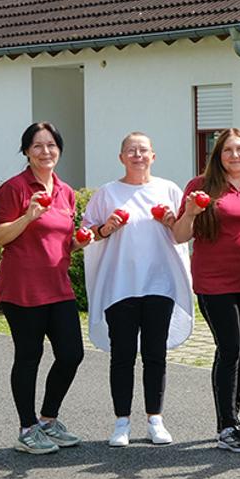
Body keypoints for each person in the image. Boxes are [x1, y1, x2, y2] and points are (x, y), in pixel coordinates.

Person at [173, 128, 240, 453]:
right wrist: (190, 213)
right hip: (214, 281)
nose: (235, 155)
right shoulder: (200, 186)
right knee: (229, 348)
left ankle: (234, 419)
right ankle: (226, 427)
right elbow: (179, 235)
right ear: (218, 156)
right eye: (228, 150)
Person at [82, 132, 193, 448]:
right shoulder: (107, 193)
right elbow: (87, 232)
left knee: (156, 354)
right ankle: (122, 422)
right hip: (120, 284)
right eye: (131, 150)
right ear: (121, 157)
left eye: (143, 150)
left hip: (160, 283)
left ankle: (155, 419)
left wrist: (171, 221)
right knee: (123, 355)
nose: (137, 155)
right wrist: (106, 228)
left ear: (153, 156)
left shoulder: (168, 189)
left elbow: (184, 232)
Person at [0, 122, 88, 454]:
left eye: (51, 145)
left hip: (58, 286)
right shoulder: (13, 189)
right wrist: (28, 216)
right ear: (26, 151)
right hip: (22, 288)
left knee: (72, 354)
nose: (46, 152)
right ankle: (27, 428)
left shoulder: (65, 191)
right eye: (37, 146)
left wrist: (83, 241)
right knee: (29, 355)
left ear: (59, 150)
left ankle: (47, 419)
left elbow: (60, 242)